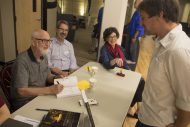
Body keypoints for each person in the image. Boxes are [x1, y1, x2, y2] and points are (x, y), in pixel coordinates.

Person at [136, 0, 190, 126]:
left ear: (160, 15)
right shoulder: (162, 40)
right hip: (146, 117)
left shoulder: (179, 50)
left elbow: (187, 104)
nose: (141, 23)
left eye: (143, 18)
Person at [11, 29, 64, 110]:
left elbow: (48, 76)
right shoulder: (21, 61)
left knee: (61, 106)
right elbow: (21, 91)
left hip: (40, 95)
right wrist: (49, 90)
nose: (48, 44)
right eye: (44, 41)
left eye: (49, 41)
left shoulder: (44, 56)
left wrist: (56, 77)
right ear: (33, 42)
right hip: (24, 102)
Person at [99, 27, 144, 117]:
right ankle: (132, 108)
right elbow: (106, 64)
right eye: (110, 37)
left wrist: (131, 72)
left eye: (114, 36)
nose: (113, 39)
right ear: (106, 38)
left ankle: (132, 106)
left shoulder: (119, 48)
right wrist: (115, 60)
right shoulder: (104, 49)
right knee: (137, 82)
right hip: (111, 74)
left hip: (121, 72)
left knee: (141, 80)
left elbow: (124, 63)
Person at [123, 0, 144, 65]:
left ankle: (132, 63)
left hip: (134, 35)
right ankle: (127, 61)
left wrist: (135, 36)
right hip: (130, 33)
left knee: (132, 50)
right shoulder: (136, 12)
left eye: (136, 2)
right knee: (128, 48)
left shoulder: (140, 13)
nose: (134, 3)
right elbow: (132, 22)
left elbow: (139, 27)